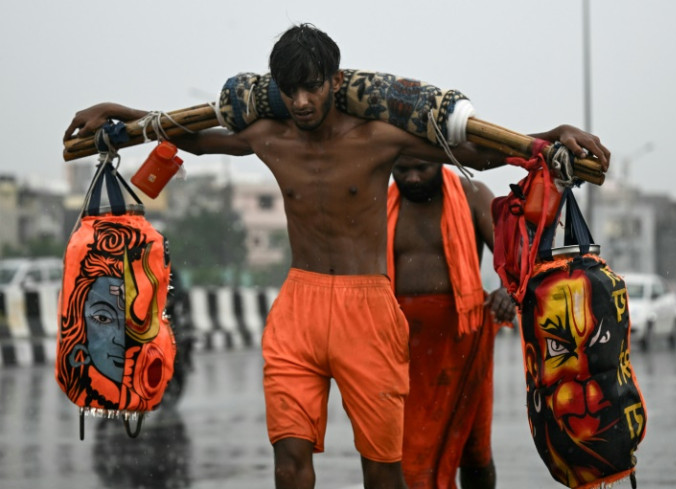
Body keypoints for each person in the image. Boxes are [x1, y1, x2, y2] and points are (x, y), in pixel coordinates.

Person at [63, 23, 610, 489]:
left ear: (334, 81)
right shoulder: (267, 135)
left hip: (368, 311)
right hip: (298, 307)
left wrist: (548, 139)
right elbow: (196, 138)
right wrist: (118, 112)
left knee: (383, 471)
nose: (302, 102)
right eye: (291, 90)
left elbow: (477, 152)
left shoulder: (378, 137)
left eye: (312, 87)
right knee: (289, 462)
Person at [387, 156, 515, 489]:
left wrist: (507, 291)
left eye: (422, 167)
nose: (413, 178)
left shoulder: (472, 194)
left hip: (463, 340)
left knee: (475, 451)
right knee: (411, 453)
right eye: (402, 170)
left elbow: (513, 255)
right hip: (401, 347)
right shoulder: (379, 204)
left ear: (441, 159)